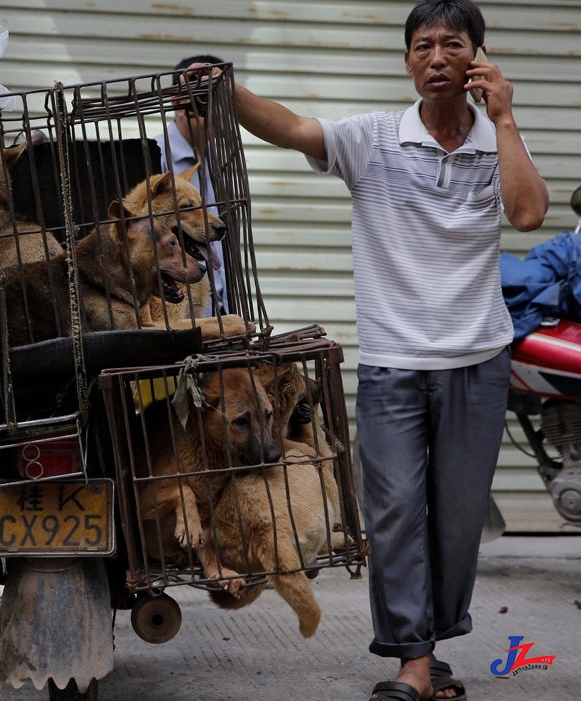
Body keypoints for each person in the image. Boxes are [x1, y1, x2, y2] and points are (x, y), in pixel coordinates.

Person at [231, 1, 548, 700]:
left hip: (477, 360)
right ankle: (411, 661)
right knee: (396, 508)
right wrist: (226, 87)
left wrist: (504, 119)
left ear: (478, 61)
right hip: (392, 363)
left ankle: (428, 653)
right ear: (407, 60)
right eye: (423, 46)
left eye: (453, 45)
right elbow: (289, 127)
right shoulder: (372, 139)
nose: (437, 57)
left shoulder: (498, 143)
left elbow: (528, 213)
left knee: (458, 516)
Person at [152, 54, 228, 316]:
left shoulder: (225, 162)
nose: (217, 110)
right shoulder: (155, 157)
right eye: (206, 100)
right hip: (179, 313)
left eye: (222, 101)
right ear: (177, 100)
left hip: (222, 309)